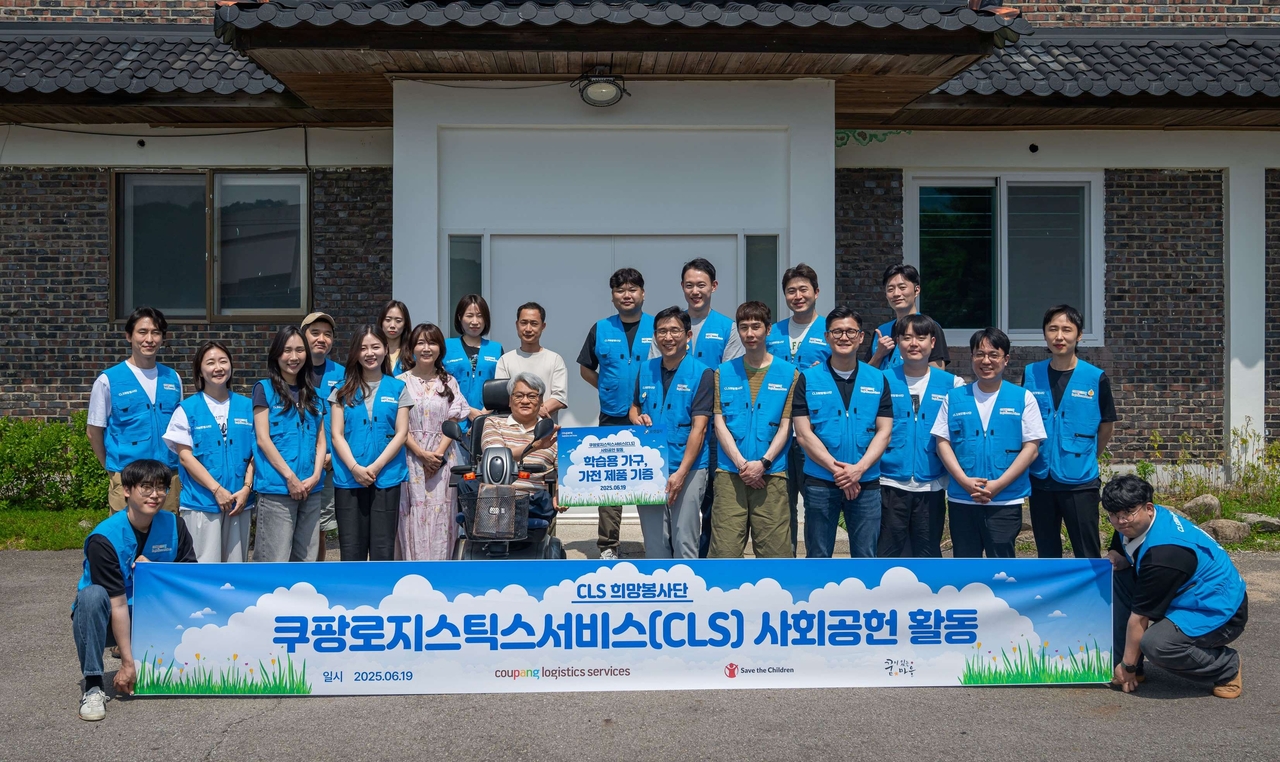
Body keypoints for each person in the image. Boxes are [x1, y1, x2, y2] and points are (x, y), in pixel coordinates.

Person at [72, 459, 197, 721]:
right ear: (127, 490)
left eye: (161, 487)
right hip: (110, 618)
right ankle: (93, 685)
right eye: (146, 487)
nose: (155, 494)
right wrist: (127, 663)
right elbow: (117, 604)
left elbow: (189, 581)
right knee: (91, 596)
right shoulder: (103, 539)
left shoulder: (175, 525)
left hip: (153, 614)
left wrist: (155, 571)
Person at [1104, 475, 1247, 699]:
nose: (1120, 521)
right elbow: (1121, 547)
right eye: (1114, 515)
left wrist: (1127, 667)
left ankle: (1226, 666)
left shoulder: (1164, 554)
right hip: (1183, 593)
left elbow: (1139, 617)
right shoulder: (1135, 521)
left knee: (1157, 644)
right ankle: (1129, 662)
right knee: (1115, 577)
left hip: (1218, 610)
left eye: (1127, 513)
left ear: (1148, 508)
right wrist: (1116, 556)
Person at [932, 328, 1045, 559]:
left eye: (994, 354)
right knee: (965, 564)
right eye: (979, 354)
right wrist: (964, 482)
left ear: (1006, 359)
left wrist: (998, 485)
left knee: (1002, 566)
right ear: (971, 357)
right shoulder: (954, 398)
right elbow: (942, 443)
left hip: (1006, 499)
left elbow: (1032, 448)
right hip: (962, 498)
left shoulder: (1023, 398)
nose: (986, 361)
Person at [791, 307, 893, 558]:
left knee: (866, 557)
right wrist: (839, 471)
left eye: (850, 331)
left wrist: (858, 470)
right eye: (837, 332)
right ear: (827, 337)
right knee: (818, 556)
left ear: (861, 337)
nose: (843, 337)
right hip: (820, 481)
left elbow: (884, 432)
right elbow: (803, 434)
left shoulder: (878, 379)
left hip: (866, 481)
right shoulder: (808, 379)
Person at [1023, 304, 1117, 560]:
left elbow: (1106, 425)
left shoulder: (1095, 377)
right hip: (1041, 476)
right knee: (1047, 552)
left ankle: (1091, 589)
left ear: (1079, 335)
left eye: (1067, 329)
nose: (1059, 336)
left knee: (1087, 550)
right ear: (1044, 334)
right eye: (1052, 329)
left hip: (1080, 481)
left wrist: (1089, 454)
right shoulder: (1031, 374)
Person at [709, 301, 798, 559]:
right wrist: (742, 465)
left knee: (775, 555)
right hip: (730, 473)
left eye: (756, 326)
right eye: (744, 327)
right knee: (724, 553)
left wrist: (763, 463)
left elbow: (786, 425)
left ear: (768, 329)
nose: (750, 333)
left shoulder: (789, 374)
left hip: (772, 474)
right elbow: (719, 423)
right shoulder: (723, 372)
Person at [578, 268, 655, 561]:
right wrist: (606, 388)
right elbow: (586, 368)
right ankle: (608, 545)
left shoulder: (658, 326)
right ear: (612, 296)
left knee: (650, 477)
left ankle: (656, 543)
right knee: (610, 482)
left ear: (643, 293)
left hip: (650, 416)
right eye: (620, 290)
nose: (627, 295)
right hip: (612, 415)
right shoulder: (600, 328)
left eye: (632, 289)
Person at [629, 306, 714, 559]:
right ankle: (659, 583)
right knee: (654, 541)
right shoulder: (646, 369)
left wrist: (681, 474)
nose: (668, 337)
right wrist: (636, 418)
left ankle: (687, 584)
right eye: (662, 331)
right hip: (649, 466)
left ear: (688, 335)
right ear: (655, 336)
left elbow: (700, 429)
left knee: (684, 537)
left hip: (689, 467)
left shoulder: (702, 373)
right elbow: (634, 407)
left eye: (675, 331)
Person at [673, 258, 745, 557]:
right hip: (676, 427)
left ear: (713, 286)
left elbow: (730, 377)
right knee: (677, 496)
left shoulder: (728, 328)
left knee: (713, 498)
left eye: (701, 285)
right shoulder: (670, 326)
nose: (695, 291)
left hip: (714, 427)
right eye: (689, 285)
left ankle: (705, 559)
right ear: (682, 287)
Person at [877, 315, 964, 558]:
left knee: (927, 555)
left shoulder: (952, 385)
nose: (914, 343)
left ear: (932, 342)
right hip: (889, 482)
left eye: (921, 337)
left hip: (931, 484)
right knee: (887, 555)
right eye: (907, 337)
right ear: (897, 342)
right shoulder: (882, 381)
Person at [162, 341, 255, 563]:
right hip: (200, 503)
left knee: (236, 569)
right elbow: (185, 457)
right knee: (203, 567)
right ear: (200, 371)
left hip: (239, 503)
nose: (218, 368)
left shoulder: (248, 407)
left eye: (223, 361)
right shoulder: (187, 409)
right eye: (210, 363)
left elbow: (256, 453)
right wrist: (216, 490)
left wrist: (246, 488)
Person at [86, 306, 182, 514]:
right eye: (142, 332)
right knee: (126, 533)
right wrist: (113, 470)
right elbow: (93, 432)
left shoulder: (173, 379)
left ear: (162, 338)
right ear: (129, 336)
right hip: (128, 478)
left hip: (167, 477)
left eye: (156, 333)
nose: (149, 339)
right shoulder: (108, 380)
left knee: (166, 532)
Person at [330, 325, 412, 561]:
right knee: (351, 550)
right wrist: (355, 468)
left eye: (375, 347)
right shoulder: (340, 390)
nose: (369, 353)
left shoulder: (398, 388)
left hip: (386, 476)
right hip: (349, 478)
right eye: (363, 348)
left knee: (383, 550)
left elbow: (401, 434)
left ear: (385, 349)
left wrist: (375, 467)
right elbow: (336, 435)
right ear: (355, 353)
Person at [252, 327, 327, 562]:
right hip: (277, 490)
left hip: (311, 489)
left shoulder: (314, 394)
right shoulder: (264, 389)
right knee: (275, 560)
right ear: (276, 354)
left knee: (307, 560)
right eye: (287, 350)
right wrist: (290, 478)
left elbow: (321, 441)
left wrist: (316, 476)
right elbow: (263, 439)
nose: (293, 357)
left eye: (299, 350)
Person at [398, 323, 470, 561]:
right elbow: (399, 425)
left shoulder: (449, 381)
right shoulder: (400, 382)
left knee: (443, 512)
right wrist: (421, 454)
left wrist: (436, 455)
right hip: (410, 456)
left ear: (440, 348)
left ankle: (441, 569)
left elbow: (454, 419)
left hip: (444, 457)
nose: (426, 348)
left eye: (432, 342)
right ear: (412, 347)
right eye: (420, 342)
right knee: (411, 513)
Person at [478, 373, 565, 526]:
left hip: (532, 503)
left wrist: (560, 493)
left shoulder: (552, 433)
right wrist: (534, 446)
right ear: (510, 400)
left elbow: (563, 472)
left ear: (541, 401)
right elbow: (496, 458)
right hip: (494, 501)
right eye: (519, 396)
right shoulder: (493, 422)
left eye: (532, 396)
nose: (525, 401)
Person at [302, 311, 343, 561]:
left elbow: (349, 420)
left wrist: (333, 455)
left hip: (329, 464)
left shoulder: (342, 374)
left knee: (320, 528)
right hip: (296, 462)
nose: (321, 339)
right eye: (315, 333)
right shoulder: (291, 368)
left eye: (327, 334)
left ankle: (315, 576)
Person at [865, 264, 950, 371]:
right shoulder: (881, 331)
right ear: (886, 295)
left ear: (917, 290)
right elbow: (866, 375)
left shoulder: (929, 327)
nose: (896, 294)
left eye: (902, 288)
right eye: (890, 289)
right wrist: (879, 355)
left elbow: (937, 374)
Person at [494, 302, 569, 422]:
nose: (528, 329)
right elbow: (503, 397)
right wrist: (531, 412)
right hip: (513, 429)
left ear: (543, 326)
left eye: (534, 323)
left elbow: (559, 398)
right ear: (517, 325)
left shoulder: (555, 359)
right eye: (524, 323)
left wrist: (536, 411)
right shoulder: (505, 360)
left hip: (545, 428)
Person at [443, 294, 504, 429]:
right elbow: (439, 382)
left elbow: (501, 385)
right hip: (454, 422)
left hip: (490, 423)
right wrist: (469, 410)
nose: (475, 321)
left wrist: (483, 414)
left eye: (480, 316)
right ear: (460, 317)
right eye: (469, 316)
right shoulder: (446, 347)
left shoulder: (496, 349)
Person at [378, 299, 411, 376]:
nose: (392, 325)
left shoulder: (412, 354)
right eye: (388, 320)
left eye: (398, 321)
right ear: (381, 322)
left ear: (405, 324)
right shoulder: (374, 353)